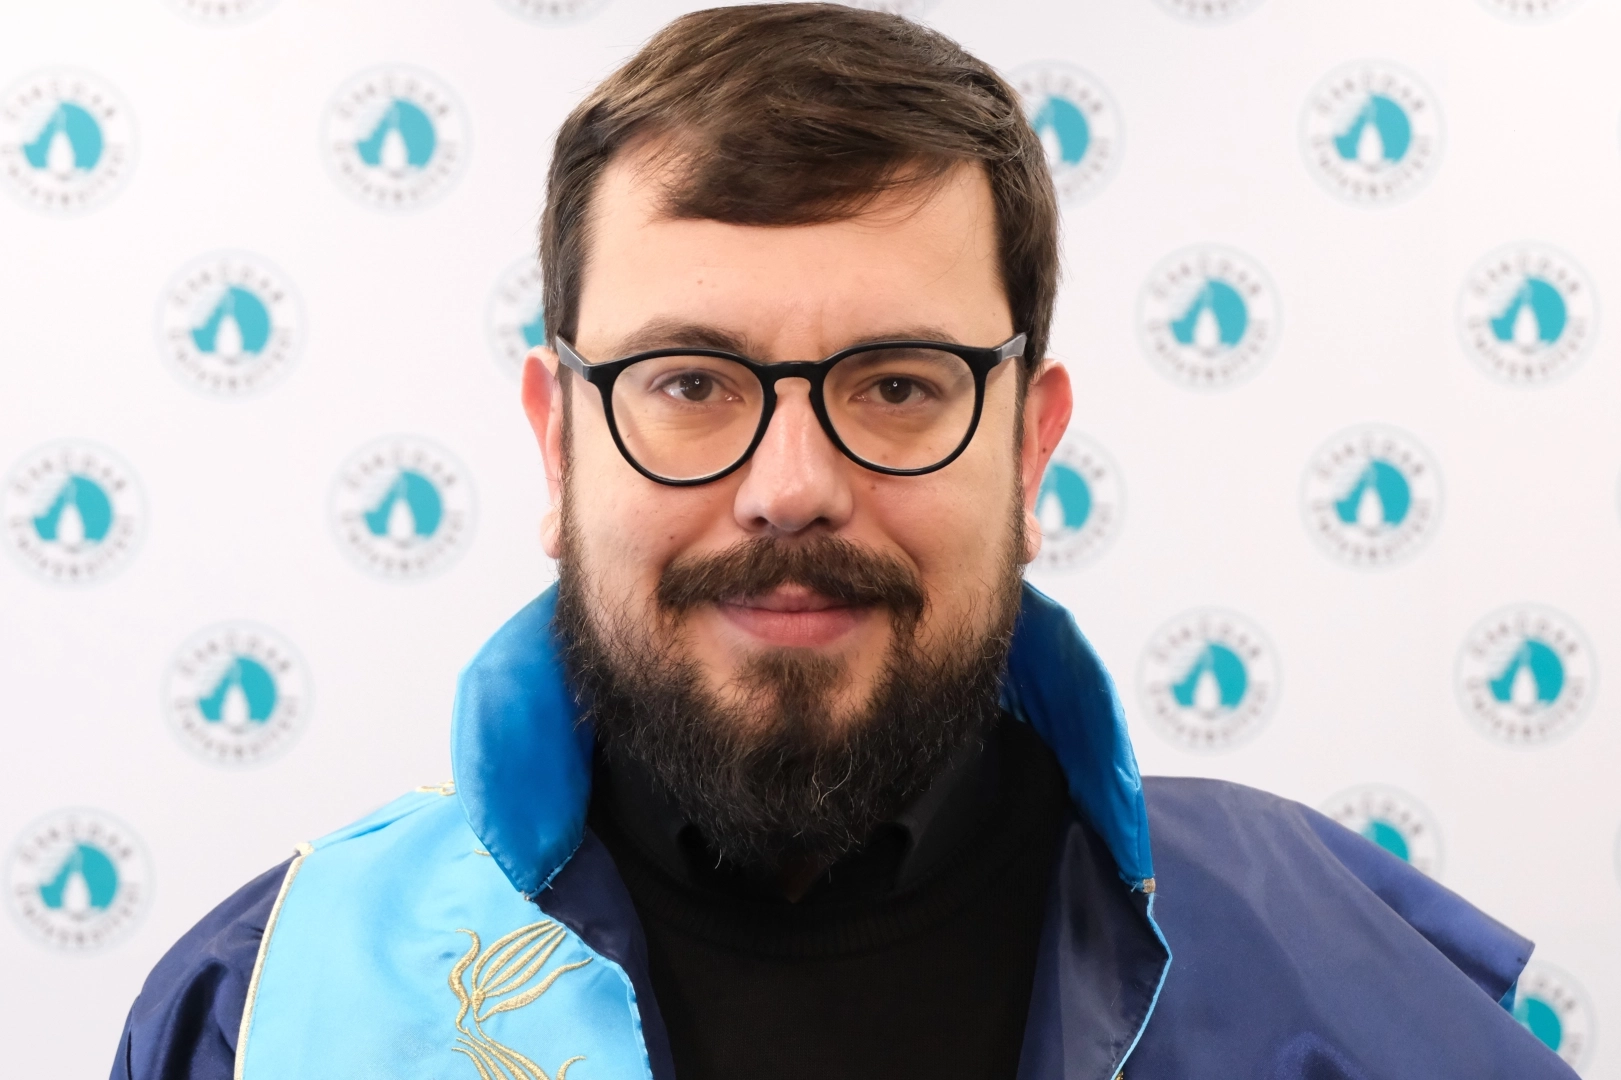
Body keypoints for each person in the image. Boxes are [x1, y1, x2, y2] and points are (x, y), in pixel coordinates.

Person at [113, 6, 1575, 1079]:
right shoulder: (264, 1012)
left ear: (1030, 446)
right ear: (558, 446)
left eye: (897, 385)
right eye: (691, 383)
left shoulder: (1337, 980)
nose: (793, 486)